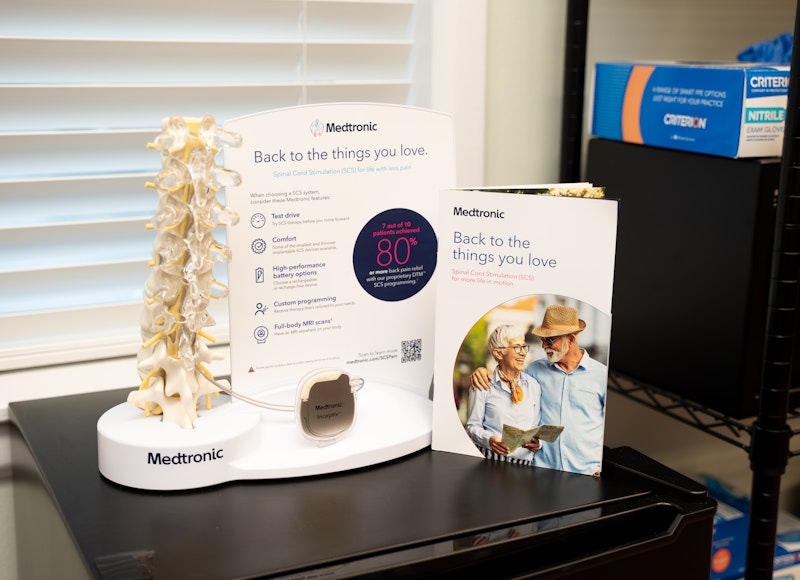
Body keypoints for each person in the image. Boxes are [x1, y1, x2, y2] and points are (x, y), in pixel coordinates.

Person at [471, 304, 607, 476]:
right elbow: (507, 378)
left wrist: (603, 464)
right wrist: (482, 371)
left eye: (550, 340)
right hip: (541, 471)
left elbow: (612, 427)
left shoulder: (601, 375)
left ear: (571, 339)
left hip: (587, 473)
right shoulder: (534, 371)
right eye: (542, 340)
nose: (543, 346)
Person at [466, 325, 542, 465]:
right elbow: (472, 426)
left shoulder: (533, 386)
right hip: (491, 462)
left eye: (524, 347)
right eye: (516, 347)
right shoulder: (483, 384)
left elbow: (535, 427)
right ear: (498, 354)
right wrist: (490, 440)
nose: (523, 353)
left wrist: (538, 443)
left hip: (525, 466)